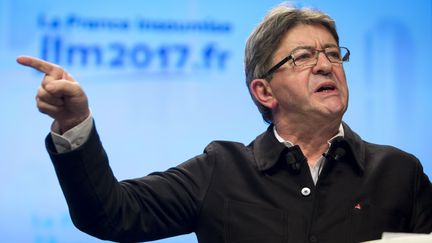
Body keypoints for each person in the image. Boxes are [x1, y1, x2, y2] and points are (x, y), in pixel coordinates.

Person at [17, 4, 432, 243]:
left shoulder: (400, 172)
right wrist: (74, 123)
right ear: (264, 91)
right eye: (303, 57)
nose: (325, 64)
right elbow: (111, 215)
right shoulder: (221, 169)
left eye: (332, 53)